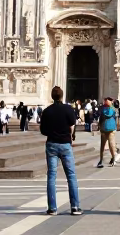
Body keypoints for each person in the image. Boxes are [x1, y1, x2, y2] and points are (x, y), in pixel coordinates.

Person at [37, 86, 81, 216]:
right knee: (71, 176)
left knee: (51, 176)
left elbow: (43, 130)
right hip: (65, 144)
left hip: (52, 144)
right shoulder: (68, 109)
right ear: (62, 96)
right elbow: (72, 124)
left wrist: (52, 132)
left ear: (52, 96)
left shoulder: (47, 111)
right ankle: (75, 207)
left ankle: (52, 208)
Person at [97, 97, 120, 167]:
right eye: (105, 100)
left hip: (109, 129)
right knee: (104, 145)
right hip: (106, 128)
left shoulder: (110, 108)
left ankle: (111, 159)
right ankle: (102, 160)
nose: (106, 101)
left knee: (110, 145)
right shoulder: (106, 108)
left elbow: (108, 115)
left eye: (108, 100)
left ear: (111, 101)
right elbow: (101, 117)